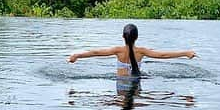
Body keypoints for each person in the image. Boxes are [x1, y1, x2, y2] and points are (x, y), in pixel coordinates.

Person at [67, 23, 196, 78]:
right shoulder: (142, 51)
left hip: (121, 81)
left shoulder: (118, 50)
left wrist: (77, 55)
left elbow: (95, 52)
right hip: (136, 81)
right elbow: (162, 55)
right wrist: (185, 53)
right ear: (137, 37)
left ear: (123, 37)